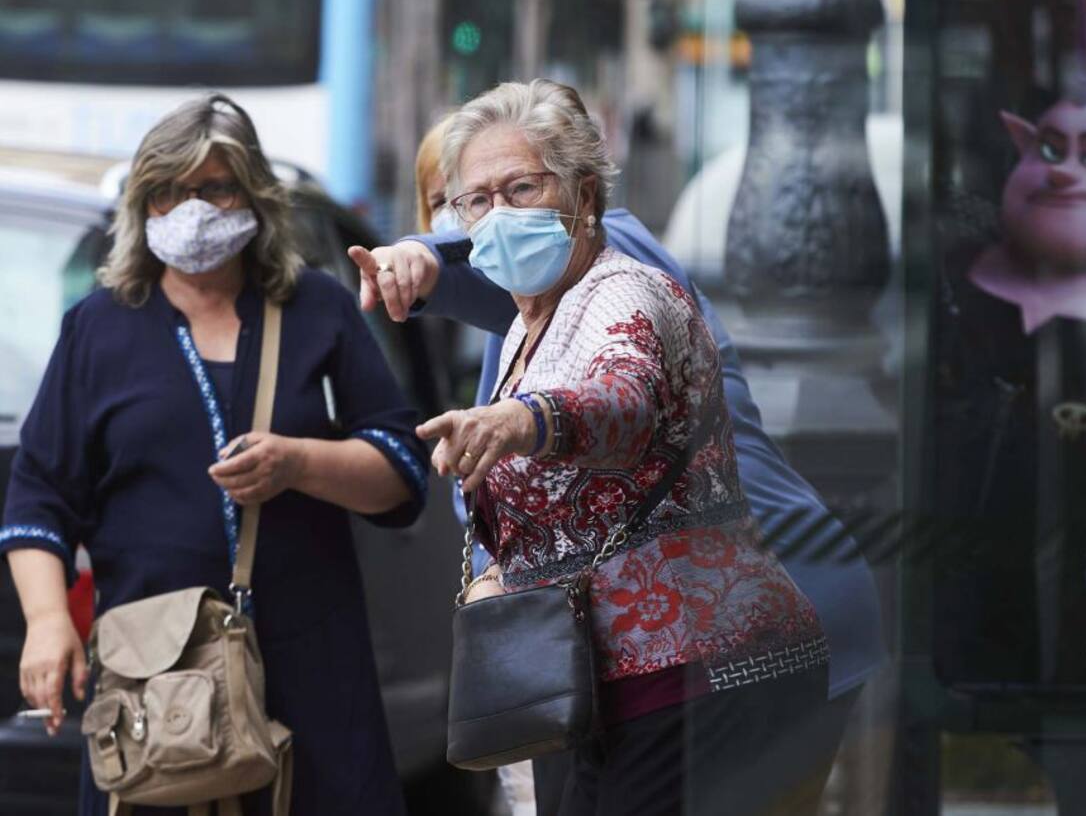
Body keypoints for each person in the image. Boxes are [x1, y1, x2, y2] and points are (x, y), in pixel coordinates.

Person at [353, 111, 885, 814]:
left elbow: (621, 397)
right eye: (476, 202)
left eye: (522, 189)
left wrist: (524, 420)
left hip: (700, 670)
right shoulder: (528, 319)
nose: (499, 215)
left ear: (585, 198)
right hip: (592, 681)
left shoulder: (626, 290)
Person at [2, 94, 429, 816]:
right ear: (143, 207)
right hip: (156, 679)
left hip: (311, 669)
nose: (189, 209)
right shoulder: (100, 328)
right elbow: (38, 497)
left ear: (253, 198)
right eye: (167, 192)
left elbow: (401, 474)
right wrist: (47, 623)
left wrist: (300, 463)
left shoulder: (317, 309)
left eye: (213, 188)